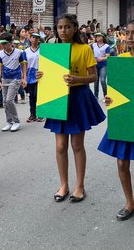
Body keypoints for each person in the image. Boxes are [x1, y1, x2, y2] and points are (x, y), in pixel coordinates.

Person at [43, 14, 105, 203]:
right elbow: (47, 76)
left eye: (67, 27)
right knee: (60, 146)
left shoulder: (84, 49)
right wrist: (41, 75)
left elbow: (93, 77)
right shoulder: (52, 50)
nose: (63, 30)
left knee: (77, 145)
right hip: (57, 98)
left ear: (75, 28)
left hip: (78, 98)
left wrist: (76, 79)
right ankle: (64, 185)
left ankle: (80, 185)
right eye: (60, 27)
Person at [98, 20, 134, 221]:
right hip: (125, 117)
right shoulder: (121, 60)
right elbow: (116, 91)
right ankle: (129, 202)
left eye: (133, 34)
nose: (130, 38)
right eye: (128, 33)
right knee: (122, 162)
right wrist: (110, 98)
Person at [0, 32, 27, 132]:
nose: (3, 45)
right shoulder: (0, 54)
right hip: (5, 79)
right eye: (2, 43)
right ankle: (9, 122)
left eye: (5, 43)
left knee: (9, 100)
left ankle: (16, 121)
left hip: (16, 79)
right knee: (5, 102)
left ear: (11, 42)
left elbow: (23, 65)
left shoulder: (19, 52)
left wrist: (24, 78)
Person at [24, 33, 44, 123]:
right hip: (30, 75)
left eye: (37, 38)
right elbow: (24, 65)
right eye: (33, 37)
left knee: (38, 95)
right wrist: (24, 77)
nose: (35, 39)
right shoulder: (26, 51)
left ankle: (41, 113)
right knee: (31, 96)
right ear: (30, 38)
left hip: (40, 75)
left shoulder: (43, 49)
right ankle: (32, 114)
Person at [91, 33, 110, 101]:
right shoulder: (93, 45)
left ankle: (106, 95)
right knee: (96, 81)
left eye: (99, 36)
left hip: (103, 65)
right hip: (95, 65)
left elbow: (107, 56)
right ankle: (96, 96)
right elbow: (89, 52)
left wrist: (100, 59)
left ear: (103, 37)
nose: (97, 37)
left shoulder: (106, 46)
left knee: (102, 80)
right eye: (96, 36)